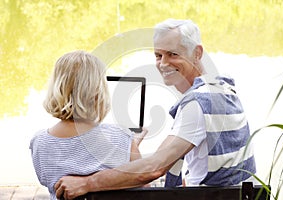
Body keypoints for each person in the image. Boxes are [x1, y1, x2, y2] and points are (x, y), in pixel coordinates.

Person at [55, 19, 256, 199]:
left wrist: (87, 183)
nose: (163, 63)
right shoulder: (223, 89)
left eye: (173, 54)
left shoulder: (198, 104)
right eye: (158, 55)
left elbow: (153, 168)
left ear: (197, 53)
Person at [29, 50, 147, 200]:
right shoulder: (120, 137)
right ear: (98, 91)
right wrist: (131, 144)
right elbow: (142, 185)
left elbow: (48, 179)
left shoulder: (39, 141)